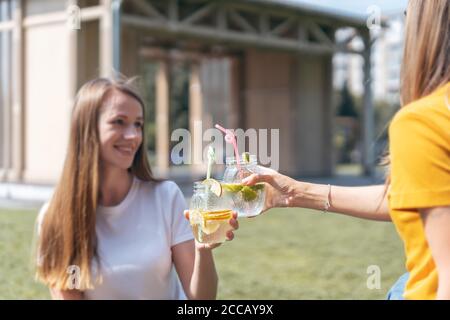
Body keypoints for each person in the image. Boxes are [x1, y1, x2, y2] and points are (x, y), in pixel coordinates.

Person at [243, 0, 450, 300]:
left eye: (408, 14)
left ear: (425, 24)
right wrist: (295, 192)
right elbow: (416, 196)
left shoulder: (423, 120)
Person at [34, 77, 238, 300]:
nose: (133, 136)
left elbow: (201, 301)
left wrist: (203, 249)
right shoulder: (56, 217)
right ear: (87, 128)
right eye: (119, 122)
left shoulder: (166, 197)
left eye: (138, 124)